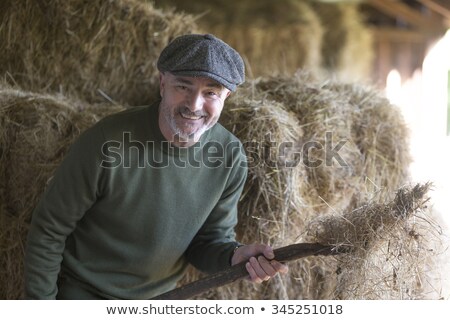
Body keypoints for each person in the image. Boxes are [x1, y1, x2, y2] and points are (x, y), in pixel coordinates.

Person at [24, 34, 288, 299]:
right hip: (85, 293)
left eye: (210, 93)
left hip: (159, 300)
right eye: (183, 87)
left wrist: (234, 255)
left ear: (226, 97)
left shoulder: (230, 157)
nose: (194, 105)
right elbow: (49, 229)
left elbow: (208, 243)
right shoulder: (106, 142)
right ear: (162, 84)